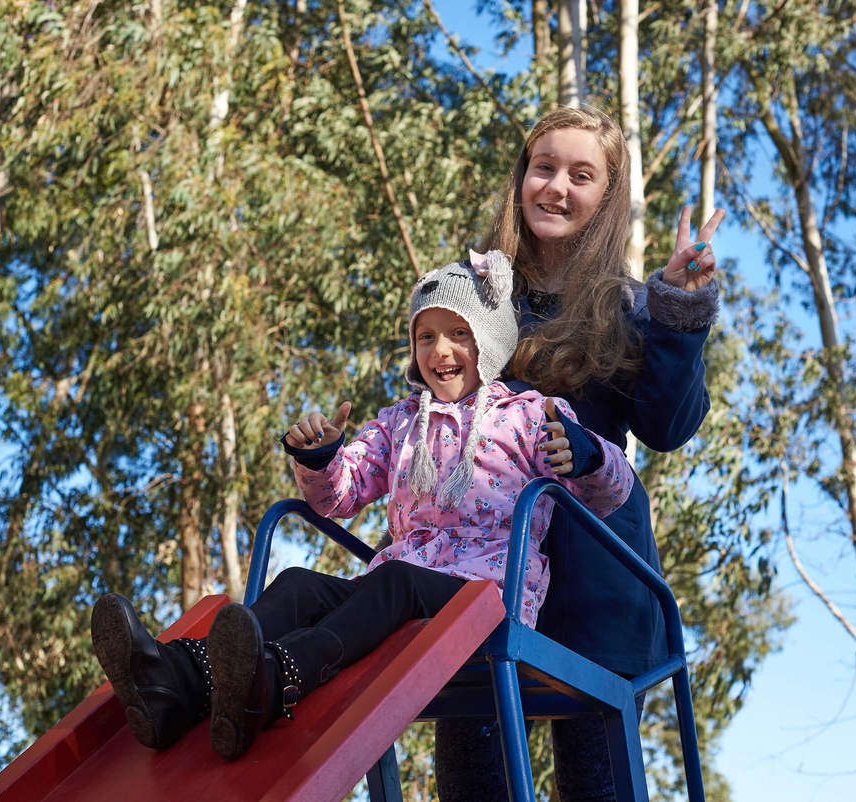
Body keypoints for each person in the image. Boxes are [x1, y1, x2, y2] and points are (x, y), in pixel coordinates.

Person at [89, 250, 634, 762]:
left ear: (489, 342)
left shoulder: (530, 415)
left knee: (395, 580)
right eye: (425, 336)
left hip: (487, 598)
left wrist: (586, 455)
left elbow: (612, 492)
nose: (440, 351)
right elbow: (340, 496)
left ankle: (278, 676)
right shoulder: (400, 422)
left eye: (458, 334)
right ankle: (177, 681)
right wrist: (321, 458)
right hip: (398, 588)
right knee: (301, 585)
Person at [433, 105, 725, 800]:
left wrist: (679, 313)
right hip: (481, 573)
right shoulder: (474, 295)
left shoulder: (629, 306)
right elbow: (429, 414)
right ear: (522, 179)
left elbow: (667, 427)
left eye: (581, 175)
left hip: (594, 578)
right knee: (473, 777)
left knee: (595, 780)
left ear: (608, 196)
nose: (557, 187)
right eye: (544, 168)